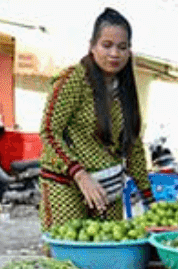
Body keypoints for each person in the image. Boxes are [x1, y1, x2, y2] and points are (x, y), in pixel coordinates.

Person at [38, 7, 154, 230]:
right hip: (67, 185)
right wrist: (80, 175)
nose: (114, 54)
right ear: (92, 46)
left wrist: (148, 196)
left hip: (108, 188)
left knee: (109, 250)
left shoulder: (126, 88)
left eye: (122, 47)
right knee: (69, 252)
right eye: (106, 45)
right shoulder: (74, 79)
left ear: (130, 50)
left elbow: (133, 145)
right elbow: (49, 132)